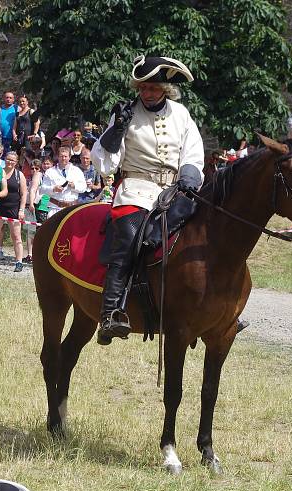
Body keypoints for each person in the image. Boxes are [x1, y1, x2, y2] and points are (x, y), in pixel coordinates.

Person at [91, 55, 204, 345]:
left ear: (165, 89)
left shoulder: (181, 114)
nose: (146, 93)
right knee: (129, 239)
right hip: (136, 189)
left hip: (176, 190)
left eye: (153, 88)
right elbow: (104, 163)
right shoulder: (125, 113)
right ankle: (110, 313)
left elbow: (192, 151)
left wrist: (189, 176)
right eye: (142, 87)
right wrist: (116, 130)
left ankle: (217, 305)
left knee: (209, 232)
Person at [0, 150, 28, 272]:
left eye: (12, 160)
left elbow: (24, 194)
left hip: (14, 208)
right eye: (8, 159)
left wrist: (21, 210)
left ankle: (19, 262)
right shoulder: (0, 172)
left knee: (16, 236)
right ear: (5, 159)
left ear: (16, 162)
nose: (9, 162)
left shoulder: (19, 175)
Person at [40, 146, 87, 218]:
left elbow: (84, 188)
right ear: (58, 157)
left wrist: (74, 186)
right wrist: (53, 189)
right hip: (54, 208)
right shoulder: (50, 171)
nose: (63, 158)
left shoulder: (77, 171)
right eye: (61, 156)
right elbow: (42, 189)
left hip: (71, 208)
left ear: (69, 157)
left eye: (65, 156)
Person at [23, 158, 47, 263]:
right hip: (31, 206)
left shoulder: (43, 177)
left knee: (41, 231)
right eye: (32, 168)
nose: (34, 170)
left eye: (37, 168)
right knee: (30, 230)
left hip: (41, 206)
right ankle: (29, 254)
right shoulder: (28, 180)